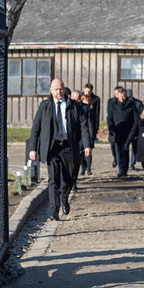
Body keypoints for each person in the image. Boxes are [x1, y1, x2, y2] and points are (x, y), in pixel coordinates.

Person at [28, 79, 92, 220]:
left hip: (69, 146)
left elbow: (83, 126)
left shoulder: (74, 106)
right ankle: (54, 211)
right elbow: (35, 129)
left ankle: (64, 197)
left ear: (64, 89)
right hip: (52, 148)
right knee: (53, 179)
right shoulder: (44, 106)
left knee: (70, 178)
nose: (59, 91)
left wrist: (87, 145)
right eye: (56, 89)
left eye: (61, 88)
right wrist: (33, 149)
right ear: (51, 90)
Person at [107, 87, 138, 177]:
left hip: (128, 132)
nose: (122, 98)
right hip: (117, 131)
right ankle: (120, 169)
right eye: (121, 96)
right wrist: (110, 127)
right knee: (118, 151)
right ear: (117, 96)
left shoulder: (131, 105)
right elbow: (109, 117)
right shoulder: (112, 105)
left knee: (125, 149)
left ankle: (124, 170)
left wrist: (134, 131)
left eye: (124, 96)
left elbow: (135, 119)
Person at [79, 92, 96, 176]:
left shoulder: (91, 109)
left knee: (88, 151)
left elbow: (93, 121)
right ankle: (83, 168)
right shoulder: (81, 109)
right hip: (83, 132)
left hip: (90, 131)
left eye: (88, 101)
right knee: (82, 151)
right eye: (85, 101)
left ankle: (88, 168)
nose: (87, 102)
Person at [126, 88, 143, 170]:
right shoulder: (124, 103)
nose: (128, 98)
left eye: (129, 97)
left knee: (134, 146)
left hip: (135, 127)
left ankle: (132, 162)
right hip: (127, 127)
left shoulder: (138, 103)